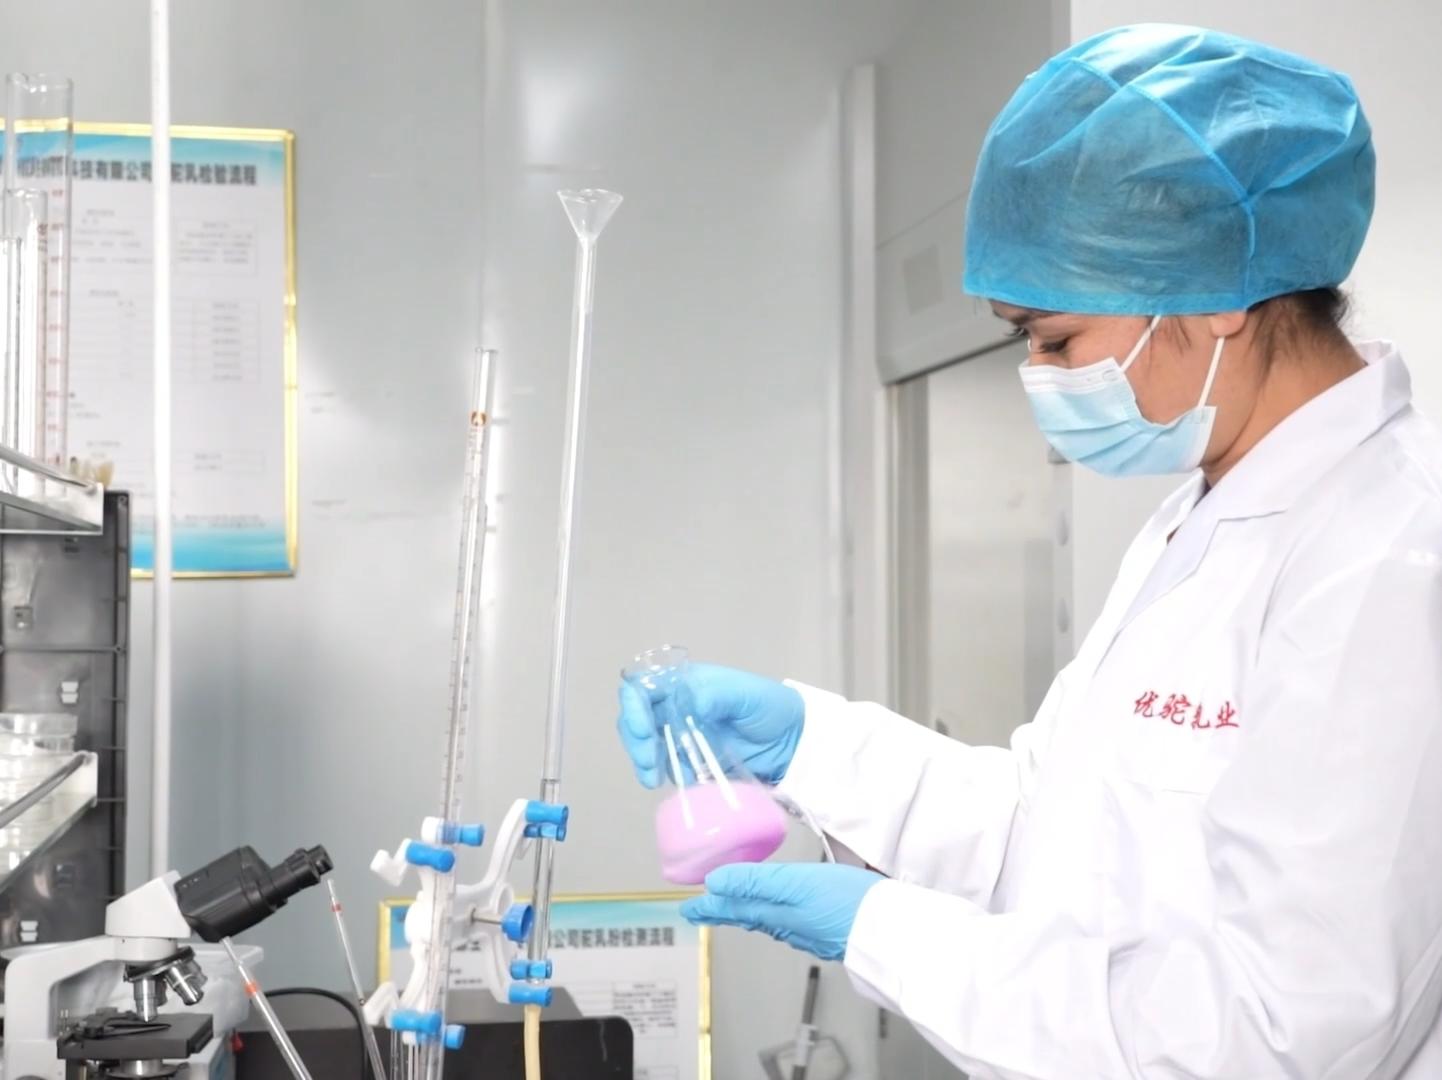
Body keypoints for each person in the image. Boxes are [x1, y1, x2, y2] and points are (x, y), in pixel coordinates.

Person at [616, 23, 1442, 1079]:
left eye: (1055, 340)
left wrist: (884, 929)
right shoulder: (1204, 513)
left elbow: (1282, 1034)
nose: (1040, 379)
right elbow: (1049, 830)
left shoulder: (1386, 560)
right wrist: (809, 745)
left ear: (1217, 297)